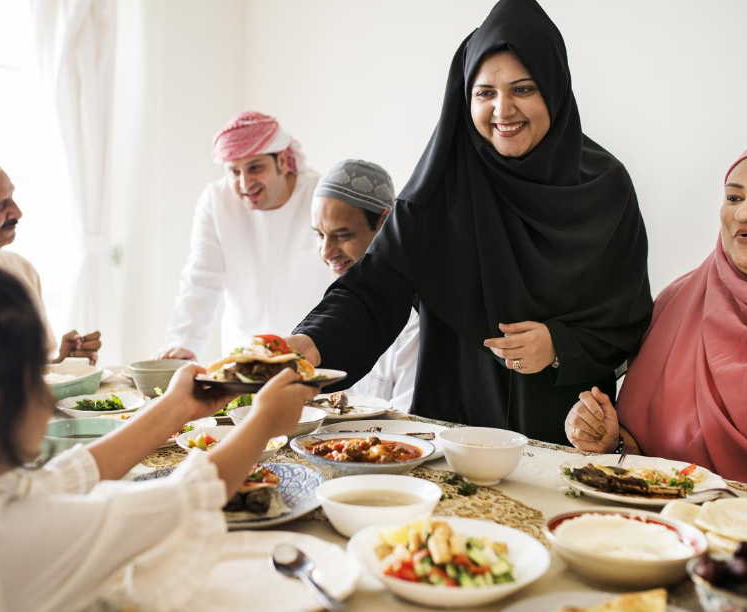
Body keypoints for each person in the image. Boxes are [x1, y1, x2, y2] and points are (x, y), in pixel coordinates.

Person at [289, 0, 652, 444]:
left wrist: (559, 346)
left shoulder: (605, 189)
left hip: (562, 428)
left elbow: (626, 317)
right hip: (453, 425)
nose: (503, 110)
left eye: (523, 89)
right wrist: (311, 344)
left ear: (554, 88)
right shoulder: (438, 189)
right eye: (485, 93)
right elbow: (371, 292)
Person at [0, 265, 316, 612]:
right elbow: (182, 499)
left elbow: (68, 477)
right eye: (39, 370)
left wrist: (175, 407)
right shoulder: (10, 537)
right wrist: (264, 421)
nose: (49, 394)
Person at [564, 133, 747, 491]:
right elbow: (641, 449)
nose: (744, 212)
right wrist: (607, 441)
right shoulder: (676, 304)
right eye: (733, 197)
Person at [158, 112, 332, 362]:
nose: (244, 183)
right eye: (234, 172)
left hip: (314, 353)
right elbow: (201, 278)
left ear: (282, 161)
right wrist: (184, 342)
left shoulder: (321, 197)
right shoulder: (216, 200)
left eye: (255, 168)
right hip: (243, 356)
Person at [311, 159, 419, 412]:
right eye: (319, 234)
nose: (327, 251)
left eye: (343, 235)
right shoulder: (329, 301)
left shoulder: (416, 320)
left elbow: (411, 425)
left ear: (385, 223)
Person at [0, 156, 102, 364]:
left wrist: (63, 362)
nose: (18, 213)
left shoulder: (20, 269)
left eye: (12, 198)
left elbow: (29, 370)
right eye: (1, 205)